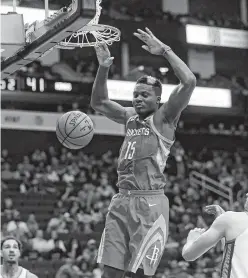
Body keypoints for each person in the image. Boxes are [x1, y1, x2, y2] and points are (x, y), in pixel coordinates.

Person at [91, 27, 196, 278]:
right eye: (135, 94)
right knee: (110, 274)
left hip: (150, 203)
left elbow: (189, 81)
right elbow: (99, 103)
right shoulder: (129, 117)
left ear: (157, 99)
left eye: (145, 95)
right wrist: (103, 67)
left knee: (139, 274)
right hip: (121, 200)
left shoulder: (165, 117)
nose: (138, 99)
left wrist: (166, 51)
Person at [182, 174, 248, 278]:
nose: (247, 194)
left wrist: (191, 239)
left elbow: (189, 255)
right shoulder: (230, 220)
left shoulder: (231, 219)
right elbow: (238, 252)